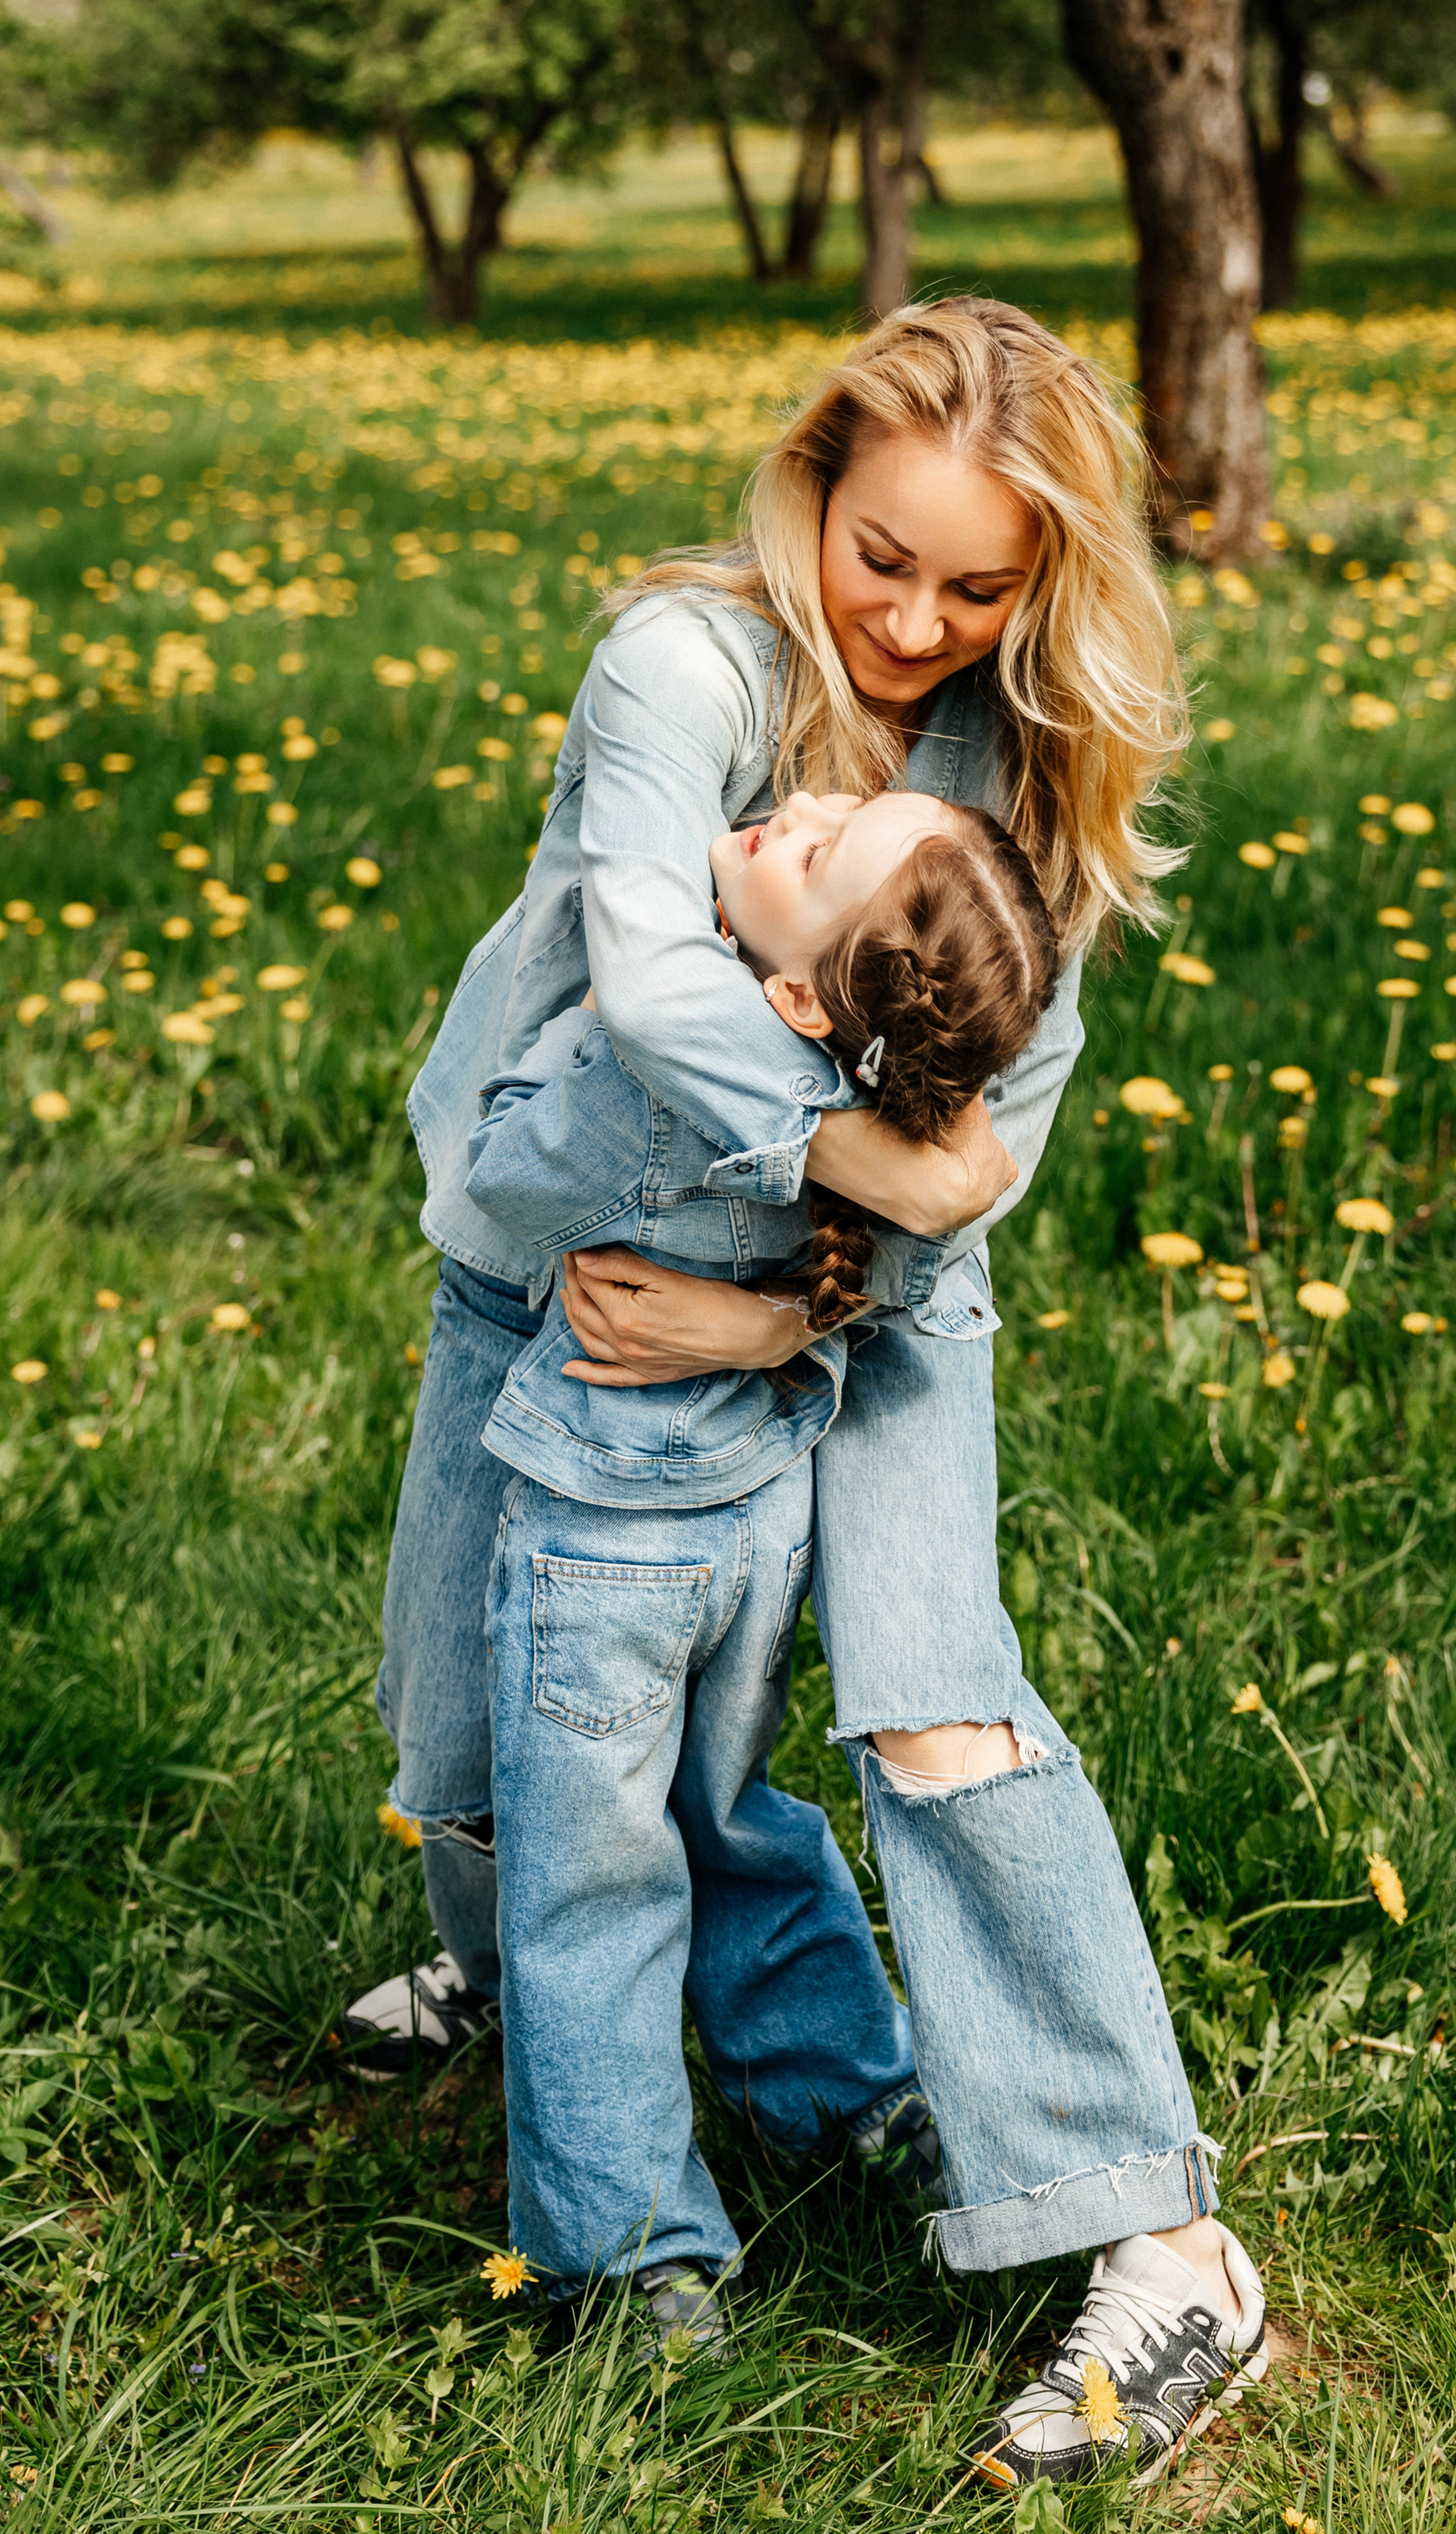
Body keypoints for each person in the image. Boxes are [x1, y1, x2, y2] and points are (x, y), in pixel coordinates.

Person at [355, 298, 1268, 2487]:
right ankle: (548, 1975)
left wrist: (783, 1314)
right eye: (886, 558)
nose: (919, 624)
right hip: (557, 1271)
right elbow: (656, 967)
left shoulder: (1023, 757)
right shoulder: (688, 662)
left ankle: (1157, 2247)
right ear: (813, 484)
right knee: (471, 1743)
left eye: (981, 587)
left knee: (935, 1706)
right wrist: (879, 1152)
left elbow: (1003, 1138)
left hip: (863, 1318)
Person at [457, 786, 1060, 2338]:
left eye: (815, 846)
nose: (800, 801)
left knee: (589, 1884)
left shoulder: (660, 1062)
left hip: (606, 1535)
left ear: (793, 994)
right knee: (731, 1815)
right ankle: (848, 2099)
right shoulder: (889, 1116)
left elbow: (505, 1177)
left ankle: (628, 2253)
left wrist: (582, 1035)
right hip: (759, 1513)